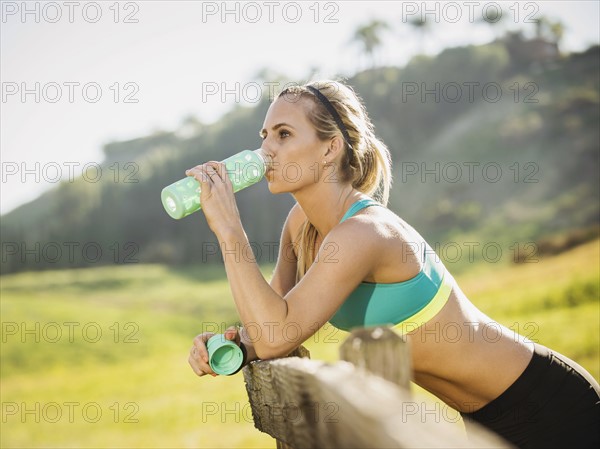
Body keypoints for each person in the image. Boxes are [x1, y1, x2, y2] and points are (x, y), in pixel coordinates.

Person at [186, 80, 599, 448]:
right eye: (264, 136)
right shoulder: (301, 226)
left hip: (546, 402)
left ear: (330, 148)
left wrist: (229, 229)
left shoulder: (364, 233)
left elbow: (275, 335)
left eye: (284, 134)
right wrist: (231, 347)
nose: (266, 150)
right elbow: (268, 329)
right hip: (483, 419)